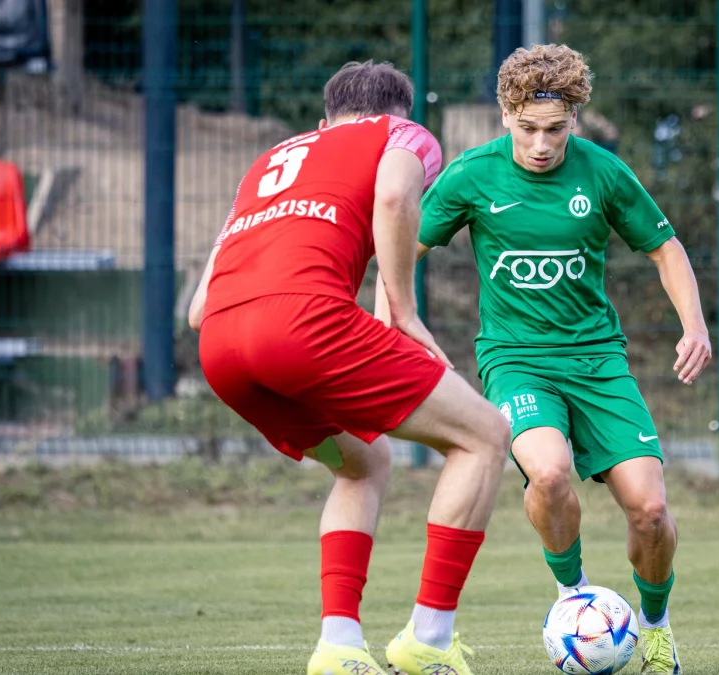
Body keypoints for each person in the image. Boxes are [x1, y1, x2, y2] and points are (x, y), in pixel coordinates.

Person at [389, 44, 711, 675]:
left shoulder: (603, 172)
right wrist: (392, 322)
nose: (541, 144)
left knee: (650, 511)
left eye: (556, 130)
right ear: (505, 115)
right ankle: (575, 597)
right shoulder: (472, 175)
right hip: (516, 360)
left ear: (575, 120)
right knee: (549, 472)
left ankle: (655, 627)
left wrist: (693, 324)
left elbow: (665, 248)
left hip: (598, 361)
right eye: (528, 128)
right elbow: (403, 248)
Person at [188, 60, 510, 675]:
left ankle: (338, 647)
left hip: (223, 348)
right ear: (400, 114)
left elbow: (198, 308)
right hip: (303, 325)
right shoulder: (401, 135)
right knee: (485, 437)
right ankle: (429, 639)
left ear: (323, 122)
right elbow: (393, 196)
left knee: (364, 463)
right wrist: (403, 310)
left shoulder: (268, 162)